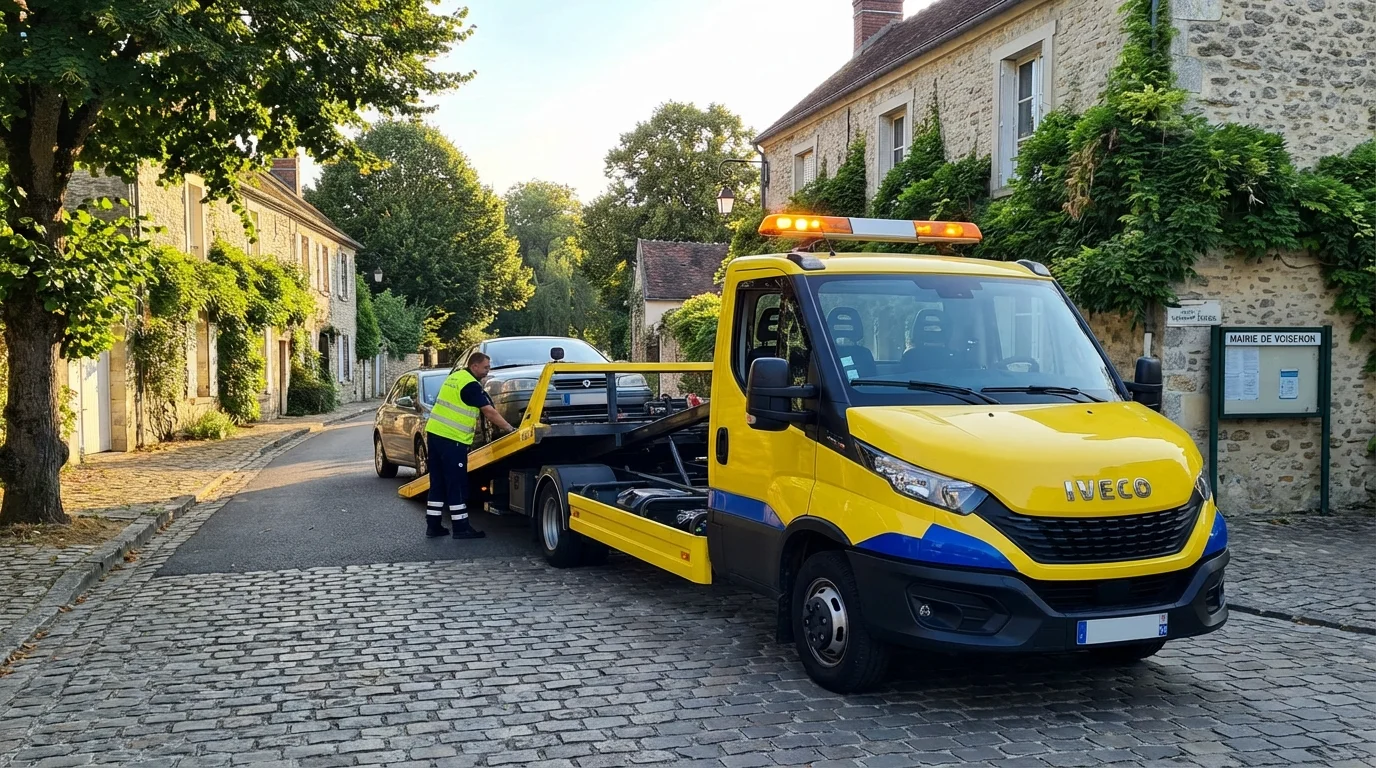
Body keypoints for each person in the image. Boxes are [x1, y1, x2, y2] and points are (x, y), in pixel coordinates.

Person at [423, 351, 515, 539]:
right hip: (452, 439)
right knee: (456, 484)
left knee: (437, 482)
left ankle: (433, 526)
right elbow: (489, 411)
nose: (488, 371)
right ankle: (461, 528)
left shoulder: (455, 377)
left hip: (435, 434)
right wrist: (510, 429)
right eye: (485, 367)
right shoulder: (470, 385)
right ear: (474, 366)